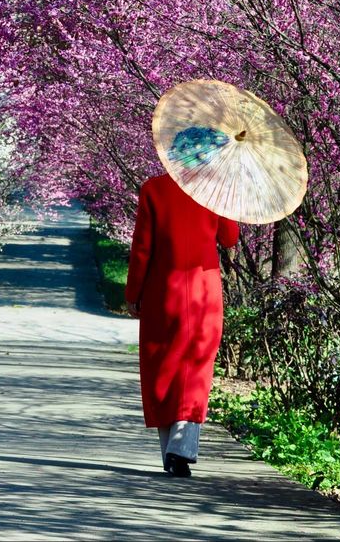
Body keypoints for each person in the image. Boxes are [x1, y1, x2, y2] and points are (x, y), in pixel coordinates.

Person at [125, 172, 239, 477]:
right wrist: (226, 196)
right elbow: (229, 238)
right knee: (196, 367)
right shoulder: (213, 186)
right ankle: (181, 449)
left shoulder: (154, 189)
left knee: (163, 367)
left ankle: (170, 451)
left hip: (163, 289)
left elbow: (142, 247)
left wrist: (133, 292)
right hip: (203, 292)